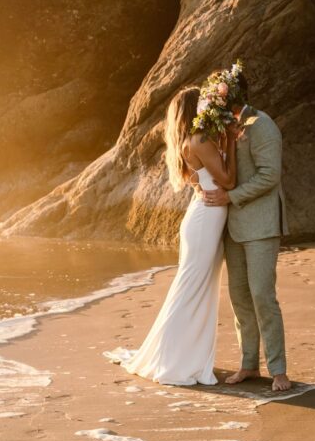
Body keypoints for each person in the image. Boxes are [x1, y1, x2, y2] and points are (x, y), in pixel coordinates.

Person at [104, 84, 237, 385]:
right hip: (206, 219)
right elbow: (228, 179)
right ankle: (175, 359)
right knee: (193, 288)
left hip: (203, 216)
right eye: (203, 104)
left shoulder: (191, 141)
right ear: (195, 110)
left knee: (196, 287)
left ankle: (183, 355)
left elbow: (202, 180)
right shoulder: (200, 140)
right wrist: (229, 141)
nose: (209, 108)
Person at [202, 71, 291, 392]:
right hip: (232, 226)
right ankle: (249, 364)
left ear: (230, 98)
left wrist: (230, 196)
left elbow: (270, 175)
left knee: (263, 296)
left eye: (217, 96)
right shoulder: (226, 127)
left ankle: (279, 369)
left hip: (261, 225)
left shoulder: (262, 125)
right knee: (239, 298)